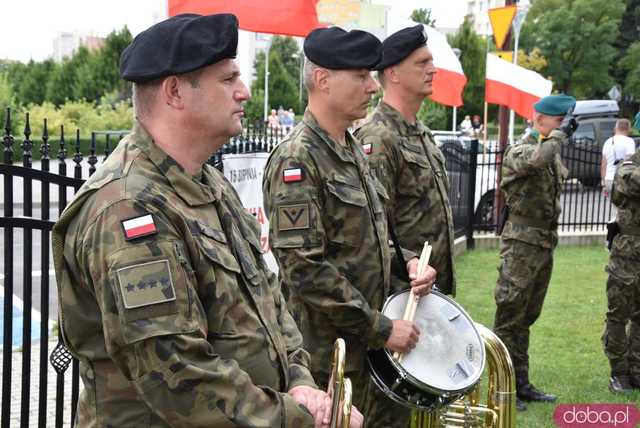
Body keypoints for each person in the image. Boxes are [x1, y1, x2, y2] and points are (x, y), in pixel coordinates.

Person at [52, 14, 363, 428]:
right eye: (228, 79)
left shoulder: (208, 184)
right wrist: (298, 418)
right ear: (175, 91)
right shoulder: (128, 208)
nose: (245, 92)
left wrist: (299, 379)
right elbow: (176, 374)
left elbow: (267, 297)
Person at [262, 27, 437, 428]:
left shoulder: (351, 147)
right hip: (330, 356)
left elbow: (374, 237)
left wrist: (406, 263)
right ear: (323, 79)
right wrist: (381, 327)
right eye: (361, 76)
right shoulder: (298, 160)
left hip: (373, 346)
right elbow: (304, 269)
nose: (373, 86)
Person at [355, 25, 457, 296]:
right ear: (393, 73)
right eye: (422, 62)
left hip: (432, 293)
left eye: (432, 61)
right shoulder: (378, 137)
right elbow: (369, 229)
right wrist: (411, 262)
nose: (433, 69)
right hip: (401, 293)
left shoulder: (420, 133)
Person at [493, 94, 577, 411]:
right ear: (540, 119)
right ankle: (502, 389)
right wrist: (555, 137)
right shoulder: (521, 150)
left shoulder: (547, 149)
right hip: (521, 245)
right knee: (509, 316)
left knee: (526, 317)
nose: (561, 130)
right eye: (558, 122)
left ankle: (521, 384)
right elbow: (537, 159)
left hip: (543, 243)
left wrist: (555, 138)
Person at [603, 150, 640, 393]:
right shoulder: (628, 167)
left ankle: (637, 369)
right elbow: (632, 184)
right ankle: (619, 372)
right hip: (628, 255)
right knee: (619, 314)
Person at [601, 119, 636, 200]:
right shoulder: (629, 142)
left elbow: (603, 165)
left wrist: (603, 184)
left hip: (609, 180)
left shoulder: (607, 142)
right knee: (627, 209)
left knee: (617, 207)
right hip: (622, 180)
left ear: (615, 128)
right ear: (628, 129)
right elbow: (630, 162)